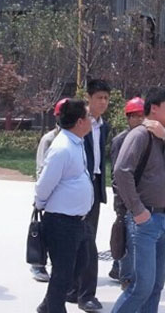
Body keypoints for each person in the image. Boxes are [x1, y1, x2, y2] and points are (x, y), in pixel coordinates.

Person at [112, 88, 165, 313]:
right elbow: (121, 172)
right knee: (141, 288)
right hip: (144, 222)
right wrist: (138, 210)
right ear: (154, 108)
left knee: (156, 287)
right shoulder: (139, 135)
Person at [35, 99, 95, 313]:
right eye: (88, 116)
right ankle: (53, 308)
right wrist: (40, 204)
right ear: (80, 122)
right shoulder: (62, 148)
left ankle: (46, 306)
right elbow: (44, 184)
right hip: (61, 222)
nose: (91, 120)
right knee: (63, 274)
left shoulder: (76, 142)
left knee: (79, 266)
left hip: (78, 220)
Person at [67, 79, 111, 312]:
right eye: (99, 98)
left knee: (88, 240)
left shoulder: (103, 126)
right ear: (89, 98)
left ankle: (86, 294)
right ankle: (75, 289)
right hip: (75, 185)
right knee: (78, 240)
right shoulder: (79, 121)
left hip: (94, 186)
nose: (103, 102)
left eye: (106, 98)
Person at [108, 97, 145, 287]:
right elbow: (117, 174)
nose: (139, 119)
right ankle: (126, 277)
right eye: (135, 116)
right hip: (125, 198)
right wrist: (122, 199)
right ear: (128, 118)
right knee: (126, 236)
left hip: (143, 197)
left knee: (135, 238)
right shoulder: (120, 140)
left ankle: (118, 267)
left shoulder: (148, 138)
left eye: (142, 115)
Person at [31, 97, 68, 283]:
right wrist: (42, 195)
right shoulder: (49, 139)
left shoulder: (75, 138)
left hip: (65, 197)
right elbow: (41, 168)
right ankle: (38, 263)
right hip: (49, 194)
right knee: (42, 230)